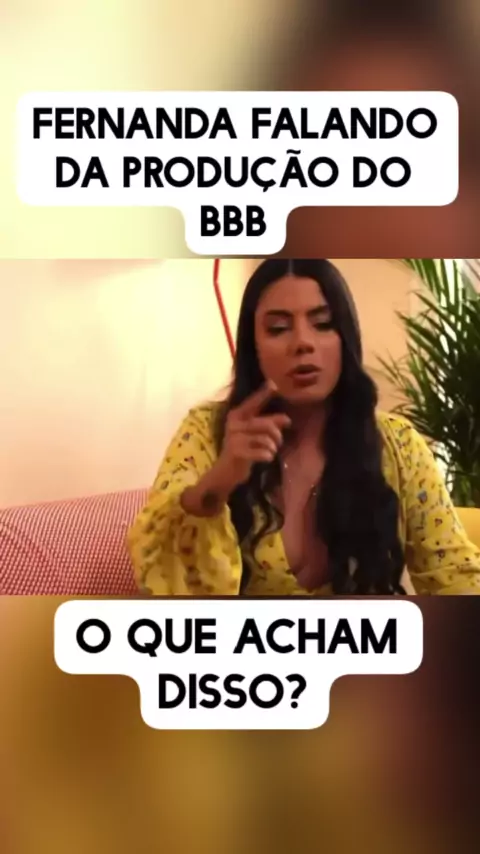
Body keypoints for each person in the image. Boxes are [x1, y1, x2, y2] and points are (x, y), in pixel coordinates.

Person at [128, 259, 480, 596]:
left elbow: (454, 574)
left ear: (346, 338)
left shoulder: (399, 445)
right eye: (278, 329)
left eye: (323, 324)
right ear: (253, 347)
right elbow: (162, 576)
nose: (303, 343)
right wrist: (221, 478)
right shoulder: (207, 431)